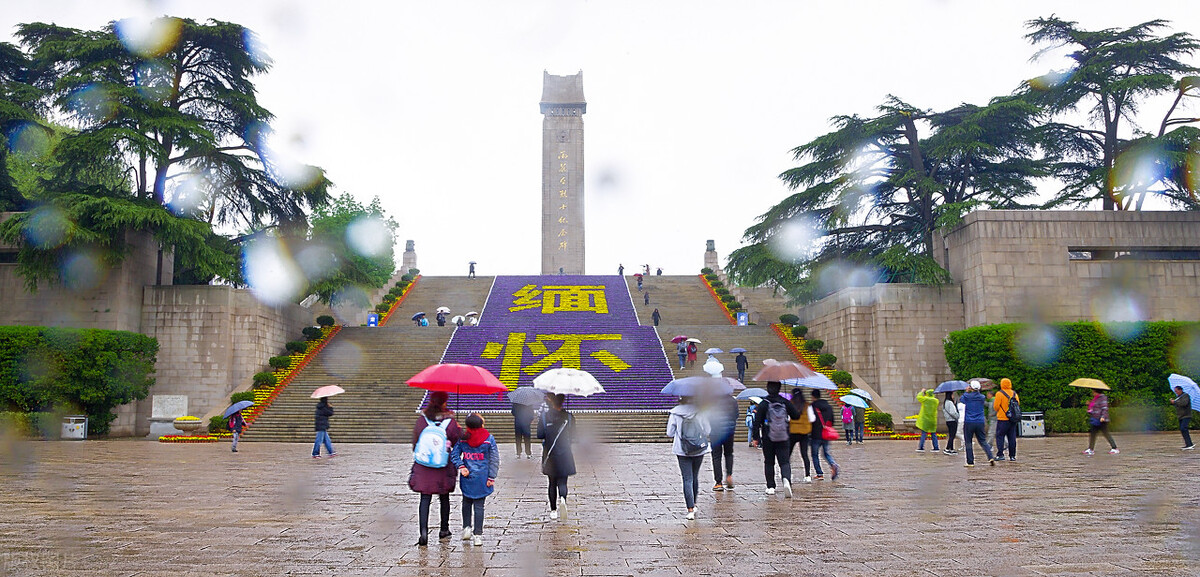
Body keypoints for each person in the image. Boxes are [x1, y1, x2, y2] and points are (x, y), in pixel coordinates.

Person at [410, 392, 462, 546]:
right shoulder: (450, 421)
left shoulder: (422, 420)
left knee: (425, 498)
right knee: (444, 497)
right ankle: (444, 529)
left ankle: (423, 532)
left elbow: (415, 442)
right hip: (442, 465)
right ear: (444, 402)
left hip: (424, 465)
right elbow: (457, 441)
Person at [451, 413, 499, 547]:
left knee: (466, 503)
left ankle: (466, 527)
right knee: (479, 506)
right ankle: (478, 535)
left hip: (467, 477)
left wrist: (461, 466)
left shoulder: (463, 439)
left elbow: (454, 454)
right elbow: (494, 459)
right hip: (482, 477)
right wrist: (491, 477)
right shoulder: (488, 439)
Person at [751, 382, 802, 497]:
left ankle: (770, 486)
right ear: (779, 388)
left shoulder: (764, 403)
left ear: (768, 389)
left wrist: (756, 438)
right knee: (784, 462)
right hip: (784, 436)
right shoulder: (785, 402)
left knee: (769, 462)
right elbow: (796, 416)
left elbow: (757, 422)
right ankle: (786, 479)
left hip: (768, 437)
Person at [667, 396, 710, 520]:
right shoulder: (700, 411)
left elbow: (669, 433)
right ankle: (694, 503)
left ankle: (690, 509)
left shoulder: (675, 413)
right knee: (695, 476)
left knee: (687, 479)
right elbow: (707, 430)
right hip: (698, 448)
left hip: (682, 449)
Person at [538, 393, 576, 520]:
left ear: (551, 401)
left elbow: (539, 434)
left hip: (550, 453)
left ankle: (553, 510)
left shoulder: (544, 416)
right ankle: (563, 499)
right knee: (563, 481)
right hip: (565, 453)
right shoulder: (569, 417)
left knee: (552, 482)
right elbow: (574, 435)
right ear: (563, 400)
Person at [960, 381, 995, 467]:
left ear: (971, 388)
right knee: (983, 441)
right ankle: (990, 456)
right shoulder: (982, 397)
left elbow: (962, 400)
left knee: (968, 442)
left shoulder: (967, 396)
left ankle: (970, 462)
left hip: (969, 421)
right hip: (980, 421)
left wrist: (966, 391)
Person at [709, 391, 739, 491]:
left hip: (715, 432)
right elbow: (736, 415)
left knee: (716, 456)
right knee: (729, 454)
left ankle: (718, 482)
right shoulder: (732, 401)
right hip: (729, 431)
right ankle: (729, 475)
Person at [808, 389, 840, 480]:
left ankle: (819, 473)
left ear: (813, 396)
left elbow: (810, 420)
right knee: (826, 453)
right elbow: (832, 420)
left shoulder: (812, 406)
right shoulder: (828, 406)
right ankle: (833, 464)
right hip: (826, 433)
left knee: (815, 454)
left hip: (815, 434)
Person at [787, 388, 813, 483]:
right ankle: (807, 475)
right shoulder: (807, 405)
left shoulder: (790, 404)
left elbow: (787, 418)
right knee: (804, 454)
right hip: (804, 432)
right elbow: (812, 418)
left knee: (788, 454)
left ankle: (787, 473)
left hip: (792, 431)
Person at [1084, 389, 1119, 455]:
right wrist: (1089, 404)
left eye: (1093, 391)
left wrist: (1103, 417)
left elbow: (1104, 408)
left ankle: (1114, 448)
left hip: (1101, 420)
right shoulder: (1095, 399)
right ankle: (1091, 449)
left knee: (1106, 434)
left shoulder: (1102, 398)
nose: (1092, 393)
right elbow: (1095, 408)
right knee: (1093, 434)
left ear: (1096, 392)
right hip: (1095, 419)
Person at [993, 378, 1020, 461]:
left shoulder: (999, 394)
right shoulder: (1014, 393)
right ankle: (1012, 456)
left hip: (1002, 418)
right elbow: (1018, 404)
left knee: (1000, 436)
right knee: (1012, 437)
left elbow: (996, 407)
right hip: (1012, 419)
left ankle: (1000, 454)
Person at [915, 388, 940, 453]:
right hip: (933, 419)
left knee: (924, 433)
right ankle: (936, 447)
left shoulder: (925, 399)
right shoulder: (936, 401)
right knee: (933, 433)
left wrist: (922, 391)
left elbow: (918, 397)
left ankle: (921, 447)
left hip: (925, 419)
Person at [1171, 385, 1195, 450]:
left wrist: (1175, 402)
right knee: (1182, 430)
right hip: (1180, 416)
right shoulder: (1179, 397)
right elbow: (1178, 404)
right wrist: (1173, 402)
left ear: (1180, 390)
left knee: (1183, 428)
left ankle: (1189, 444)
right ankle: (1188, 444)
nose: (1176, 392)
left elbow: (1184, 403)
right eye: (1175, 391)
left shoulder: (1186, 396)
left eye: (1176, 391)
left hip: (1186, 415)